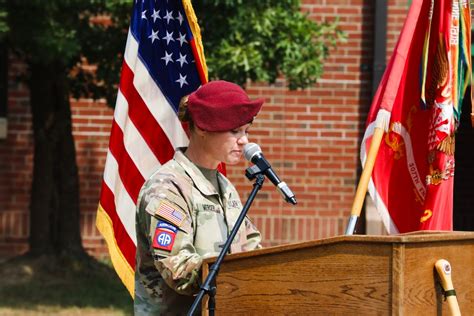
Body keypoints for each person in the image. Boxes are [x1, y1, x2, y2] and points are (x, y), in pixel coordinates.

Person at [134, 80, 264, 315]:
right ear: (203, 127)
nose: (245, 140)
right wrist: (240, 275)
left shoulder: (225, 187)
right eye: (234, 131)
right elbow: (179, 269)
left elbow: (251, 248)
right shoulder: (168, 188)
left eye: (246, 130)